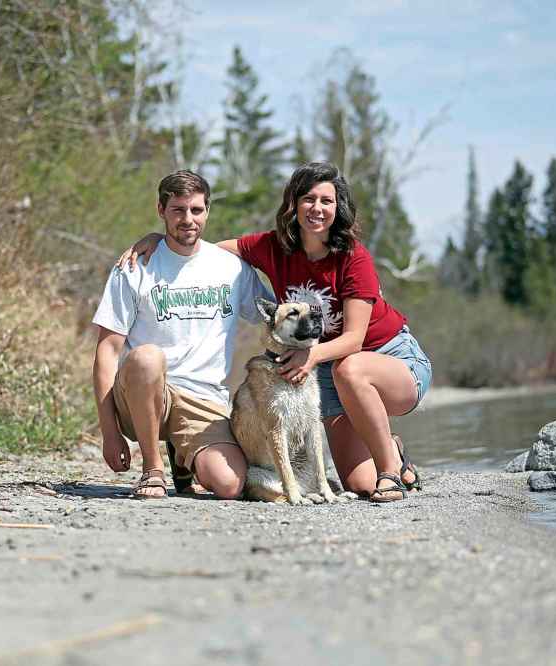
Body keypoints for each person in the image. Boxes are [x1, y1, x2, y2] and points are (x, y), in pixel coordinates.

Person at [120, 162, 432, 502]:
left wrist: (308, 356)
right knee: (359, 484)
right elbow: (204, 252)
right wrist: (159, 240)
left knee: (351, 368)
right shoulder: (274, 247)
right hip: (329, 369)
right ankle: (392, 450)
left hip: (390, 357)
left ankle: (390, 473)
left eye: (327, 201)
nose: (317, 208)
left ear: (337, 207)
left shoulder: (353, 258)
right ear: (294, 204)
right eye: (309, 199)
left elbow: (354, 341)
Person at [91, 170, 270, 499]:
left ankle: (184, 460)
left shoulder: (231, 269)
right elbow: (106, 351)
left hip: (203, 399)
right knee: (147, 358)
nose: (188, 219)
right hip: (143, 394)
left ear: (207, 211)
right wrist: (109, 432)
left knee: (229, 485)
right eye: (177, 210)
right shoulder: (135, 267)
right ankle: (153, 468)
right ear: (161, 210)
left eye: (196, 210)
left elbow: (274, 317)